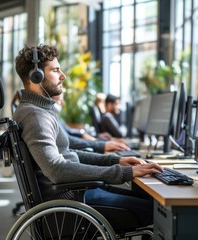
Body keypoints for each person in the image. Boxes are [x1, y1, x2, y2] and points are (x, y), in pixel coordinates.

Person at [13, 44, 162, 228]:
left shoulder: (40, 110)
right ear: (36, 76)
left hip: (77, 190)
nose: (63, 76)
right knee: (156, 209)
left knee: (147, 197)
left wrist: (115, 162)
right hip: (70, 201)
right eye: (56, 70)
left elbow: (68, 153)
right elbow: (57, 170)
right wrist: (122, 172)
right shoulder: (35, 116)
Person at [52, 93, 130, 153]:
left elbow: (70, 132)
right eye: (59, 100)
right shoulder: (107, 117)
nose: (63, 103)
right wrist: (103, 144)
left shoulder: (56, 118)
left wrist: (99, 139)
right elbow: (68, 139)